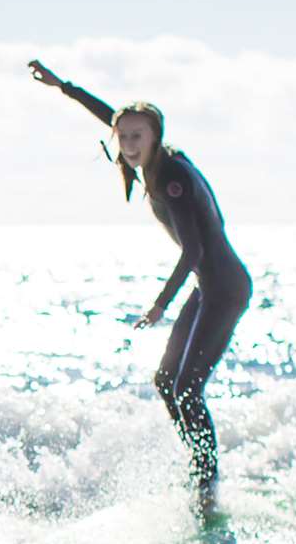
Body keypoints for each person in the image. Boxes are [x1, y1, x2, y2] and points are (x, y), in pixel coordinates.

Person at [27, 60, 251, 516]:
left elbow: (193, 253)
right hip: (209, 287)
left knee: (187, 386)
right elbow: (110, 113)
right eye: (123, 136)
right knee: (167, 380)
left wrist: (159, 306)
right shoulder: (149, 159)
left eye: (137, 136)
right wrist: (63, 87)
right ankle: (199, 470)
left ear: (154, 137)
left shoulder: (172, 180)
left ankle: (206, 483)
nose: (128, 145)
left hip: (224, 287)